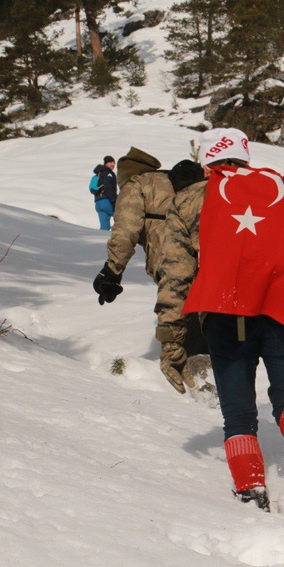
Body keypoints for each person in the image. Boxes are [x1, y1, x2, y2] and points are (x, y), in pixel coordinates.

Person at [154, 128, 284, 520]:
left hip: (224, 314)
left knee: (237, 414)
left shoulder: (188, 200)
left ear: (207, 158)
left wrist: (172, 338)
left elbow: (175, 277)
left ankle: (250, 486)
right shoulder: (283, 187)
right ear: (245, 155)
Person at [92, 146, 207, 394]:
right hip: (213, 263)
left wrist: (111, 271)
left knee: (187, 329)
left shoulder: (137, 185)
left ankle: (201, 393)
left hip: (175, 267)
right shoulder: (182, 182)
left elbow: (125, 231)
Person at [92, 155, 118, 230]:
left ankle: (101, 240)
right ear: (106, 163)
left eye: (114, 163)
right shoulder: (108, 173)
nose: (113, 165)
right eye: (111, 162)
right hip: (107, 202)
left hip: (98, 203)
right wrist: (114, 202)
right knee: (121, 217)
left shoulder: (98, 173)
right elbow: (108, 188)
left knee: (104, 227)